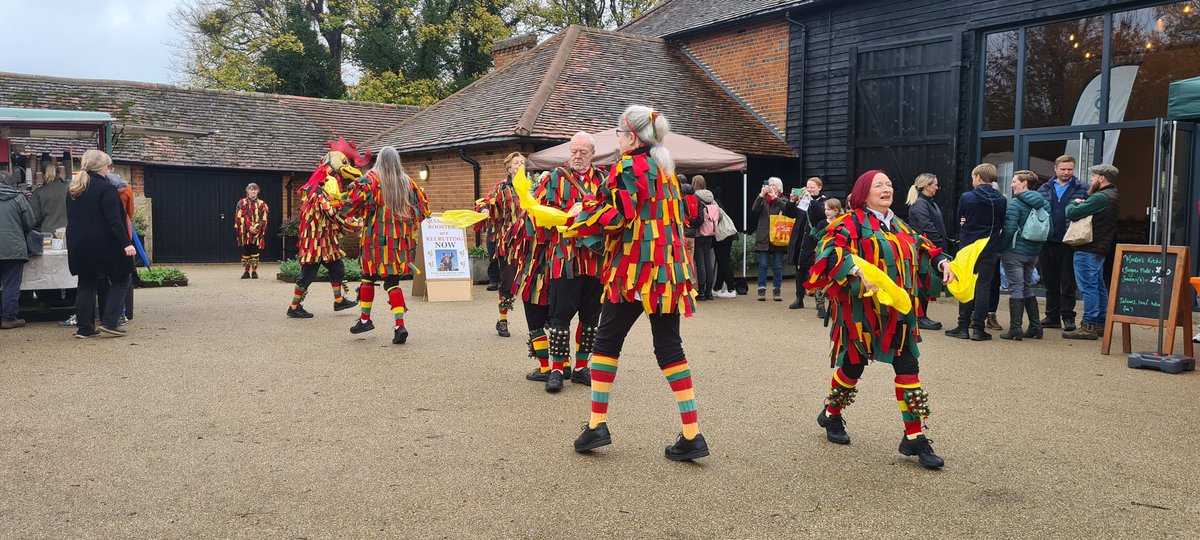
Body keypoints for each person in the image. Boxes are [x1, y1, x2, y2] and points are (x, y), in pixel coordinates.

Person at [567, 105, 708, 461]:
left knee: (607, 340)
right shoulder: (665, 170)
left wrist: (579, 219)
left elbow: (617, 216)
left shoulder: (628, 166)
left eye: (618, 133)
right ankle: (691, 434)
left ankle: (597, 424)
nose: (615, 139)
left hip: (633, 270)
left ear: (630, 137)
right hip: (668, 272)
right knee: (669, 347)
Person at [807, 170, 955, 469]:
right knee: (852, 366)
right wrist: (851, 266)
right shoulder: (849, 222)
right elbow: (828, 250)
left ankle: (914, 436)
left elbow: (924, 246)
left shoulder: (899, 224)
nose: (887, 188)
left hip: (898, 313)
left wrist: (942, 261)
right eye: (879, 185)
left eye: (889, 184)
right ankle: (831, 414)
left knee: (909, 369)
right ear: (864, 192)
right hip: (861, 313)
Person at [535, 132, 606, 391]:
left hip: (595, 260)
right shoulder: (554, 178)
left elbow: (615, 213)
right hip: (565, 257)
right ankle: (556, 369)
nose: (577, 156)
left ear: (592, 154)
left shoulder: (604, 181)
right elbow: (538, 213)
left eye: (583, 152)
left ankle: (581, 368)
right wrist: (567, 215)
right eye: (574, 151)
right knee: (560, 316)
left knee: (590, 318)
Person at [340, 146, 430, 344]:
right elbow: (423, 211)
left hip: (374, 241)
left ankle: (365, 319)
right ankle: (399, 325)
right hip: (398, 245)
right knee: (392, 283)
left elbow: (349, 205)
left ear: (379, 161)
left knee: (367, 279)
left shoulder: (370, 180)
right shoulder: (409, 183)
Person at [286, 139, 365, 318]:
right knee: (308, 274)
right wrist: (355, 223)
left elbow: (337, 205)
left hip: (326, 239)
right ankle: (294, 307)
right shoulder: (317, 188)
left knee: (337, 268)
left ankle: (339, 301)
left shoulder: (327, 185)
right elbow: (332, 212)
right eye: (344, 163)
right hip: (315, 240)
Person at [65, 150, 135, 338]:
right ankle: (110, 322)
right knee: (122, 278)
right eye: (107, 165)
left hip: (78, 243)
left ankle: (84, 328)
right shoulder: (106, 189)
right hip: (103, 243)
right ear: (102, 167)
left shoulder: (74, 189)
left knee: (86, 282)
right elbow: (114, 221)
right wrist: (126, 243)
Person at [946, 163, 1006, 341]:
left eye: (973, 177)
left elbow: (959, 219)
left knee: (967, 283)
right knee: (983, 287)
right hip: (990, 246)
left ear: (978, 177)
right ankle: (979, 329)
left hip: (969, 246)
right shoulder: (1001, 200)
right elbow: (1002, 222)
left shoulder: (967, 197)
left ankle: (963, 326)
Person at [1063, 164, 1120, 340]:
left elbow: (1071, 213)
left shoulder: (1101, 197)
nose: (1091, 181)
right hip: (1099, 248)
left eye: (1093, 177)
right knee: (1098, 285)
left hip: (1088, 247)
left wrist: (1074, 203)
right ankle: (1101, 323)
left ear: (1101, 178)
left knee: (1088, 287)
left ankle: (1088, 325)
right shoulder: (1113, 194)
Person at [1037, 155, 1089, 332]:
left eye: (1070, 169)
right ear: (1055, 169)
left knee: (1068, 281)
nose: (1066, 172)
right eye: (1063, 169)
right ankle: (1051, 316)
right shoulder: (1044, 188)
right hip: (1047, 241)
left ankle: (1067, 316)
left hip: (1070, 241)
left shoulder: (1083, 189)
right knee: (1049, 280)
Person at [475, 152, 523, 338]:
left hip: (528, 242)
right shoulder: (501, 188)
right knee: (509, 282)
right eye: (516, 163)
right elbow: (483, 204)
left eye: (522, 162)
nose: (519, 165)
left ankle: (542, 319)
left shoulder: (531, 189)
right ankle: (502, 319)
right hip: (508, 243)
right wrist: (486, 209)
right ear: (509, 168)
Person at [999, 170, 1047, 340]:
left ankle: (1015, 329)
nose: (1011, 185)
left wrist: (1001, 248)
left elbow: (1009, 229)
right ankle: (1036, 327)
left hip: (1014, 252)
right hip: (1033, 252)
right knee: (1027, 286)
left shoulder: (1016, 204)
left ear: (1024, 183)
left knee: (1016, 288)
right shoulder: (1043, 203)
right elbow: (1049, 228)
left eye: (1014, 181)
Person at [905, 173, 948, 330]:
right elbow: (927, 227)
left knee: (925, 282)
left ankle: (921, 315)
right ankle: (919, 317)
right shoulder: (920, 204)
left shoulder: (928, 203)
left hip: (929, 248)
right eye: (935, 184)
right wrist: (938, 245)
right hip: (924, 250)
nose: (937, 187)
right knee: (922, 283)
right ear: (926, 186)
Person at [784, 177, 827, 310]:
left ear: (819, 188)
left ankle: (819, 303)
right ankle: (799, 298)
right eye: (807, 186)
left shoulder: (823, 201)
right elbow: (790, 214)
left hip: (814, 242)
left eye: (812, 187)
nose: (809, 189)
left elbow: (821, 214)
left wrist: (811, 200)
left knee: (817, 272)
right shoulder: (803, 201)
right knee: (800, 269)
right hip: (799, 241)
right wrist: (792, 201)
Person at [0, 170, 34, 329]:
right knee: (10, 284)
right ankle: (8, 318)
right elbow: (29, 223)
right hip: (13, 248)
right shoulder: (18, 198)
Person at [752, 177, 787, 301]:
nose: (771, 187)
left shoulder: (782, 199)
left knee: (778, 265)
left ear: (779, 188)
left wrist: (775, 198)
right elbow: (754, 209)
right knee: (763, 265)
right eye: (769, 185)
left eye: (774, 185)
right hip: (764, 235)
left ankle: (777, 290)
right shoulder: (763, 200)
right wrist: (761, 194)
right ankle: (761, 289)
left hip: (778, 236)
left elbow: (787, 209)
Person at [692, 175, 720, 301]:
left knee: (700, 263)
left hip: (698, 233)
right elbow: (719, 215)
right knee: (708, 262)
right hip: (710, 233)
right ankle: (709, 292)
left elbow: (696, 216)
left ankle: (702, 292)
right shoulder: (711, 198)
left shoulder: (695, 197)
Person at [234, 183, 269, 279]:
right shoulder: (241, 203)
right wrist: (249, 227)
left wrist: (257, 227)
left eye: (255, 189)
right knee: (246, 251)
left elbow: (264, 218)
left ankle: (254, 271)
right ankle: (246, 272)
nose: (253, 191)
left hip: (257, 233)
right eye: (251, 189)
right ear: (247, 190)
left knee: (255, 251)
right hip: (245, 232)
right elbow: (239, 217)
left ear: (258, 191)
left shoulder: (262, 204)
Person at [710, 185, 738, 298]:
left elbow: (719, 216)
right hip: (726, 235)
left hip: (722, 235)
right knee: (722, 261)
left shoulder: (712, 202)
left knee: (724, 261)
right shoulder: (716, 201)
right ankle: (717, 288)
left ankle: (731, 289)